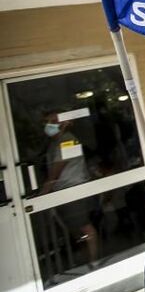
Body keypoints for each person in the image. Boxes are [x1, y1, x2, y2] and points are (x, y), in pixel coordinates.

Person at [42, 111, 98, 264]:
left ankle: (93, 262)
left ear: (63, 124)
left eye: (52, 121)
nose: (48, 126)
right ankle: (88, 260)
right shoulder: (55, 143)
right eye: (47, 122)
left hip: (73, 189)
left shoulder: (68, 141)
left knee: (83, 226)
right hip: (65, 191)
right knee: (76, 229)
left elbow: (55, 172)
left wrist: (44, 193)